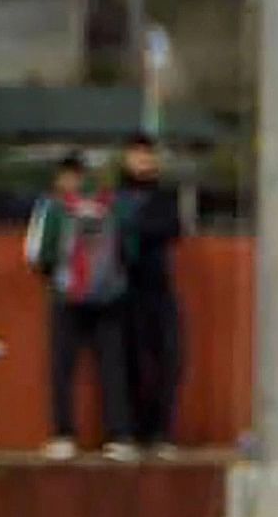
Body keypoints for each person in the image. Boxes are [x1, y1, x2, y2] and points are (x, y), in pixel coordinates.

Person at [25, 155, 132, 461]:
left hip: (66, 296)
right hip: (109, 297)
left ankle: (64, 435)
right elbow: (129, 249)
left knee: (62, 368)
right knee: (112, 367)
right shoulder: (110, 206)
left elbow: (38, 255)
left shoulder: (53, 208)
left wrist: (58, 279)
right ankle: (119, 435)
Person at [112, 137, 185, 452]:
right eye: (137, 155)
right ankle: (128, 432)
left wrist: (137, 227)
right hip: (121, 289)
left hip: (158, 287)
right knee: (128, 361)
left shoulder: (164, 197)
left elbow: (173, 228)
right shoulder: (115, 196)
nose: (144, 161)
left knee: (168, 359)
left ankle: (160, 432)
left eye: (148, 155)